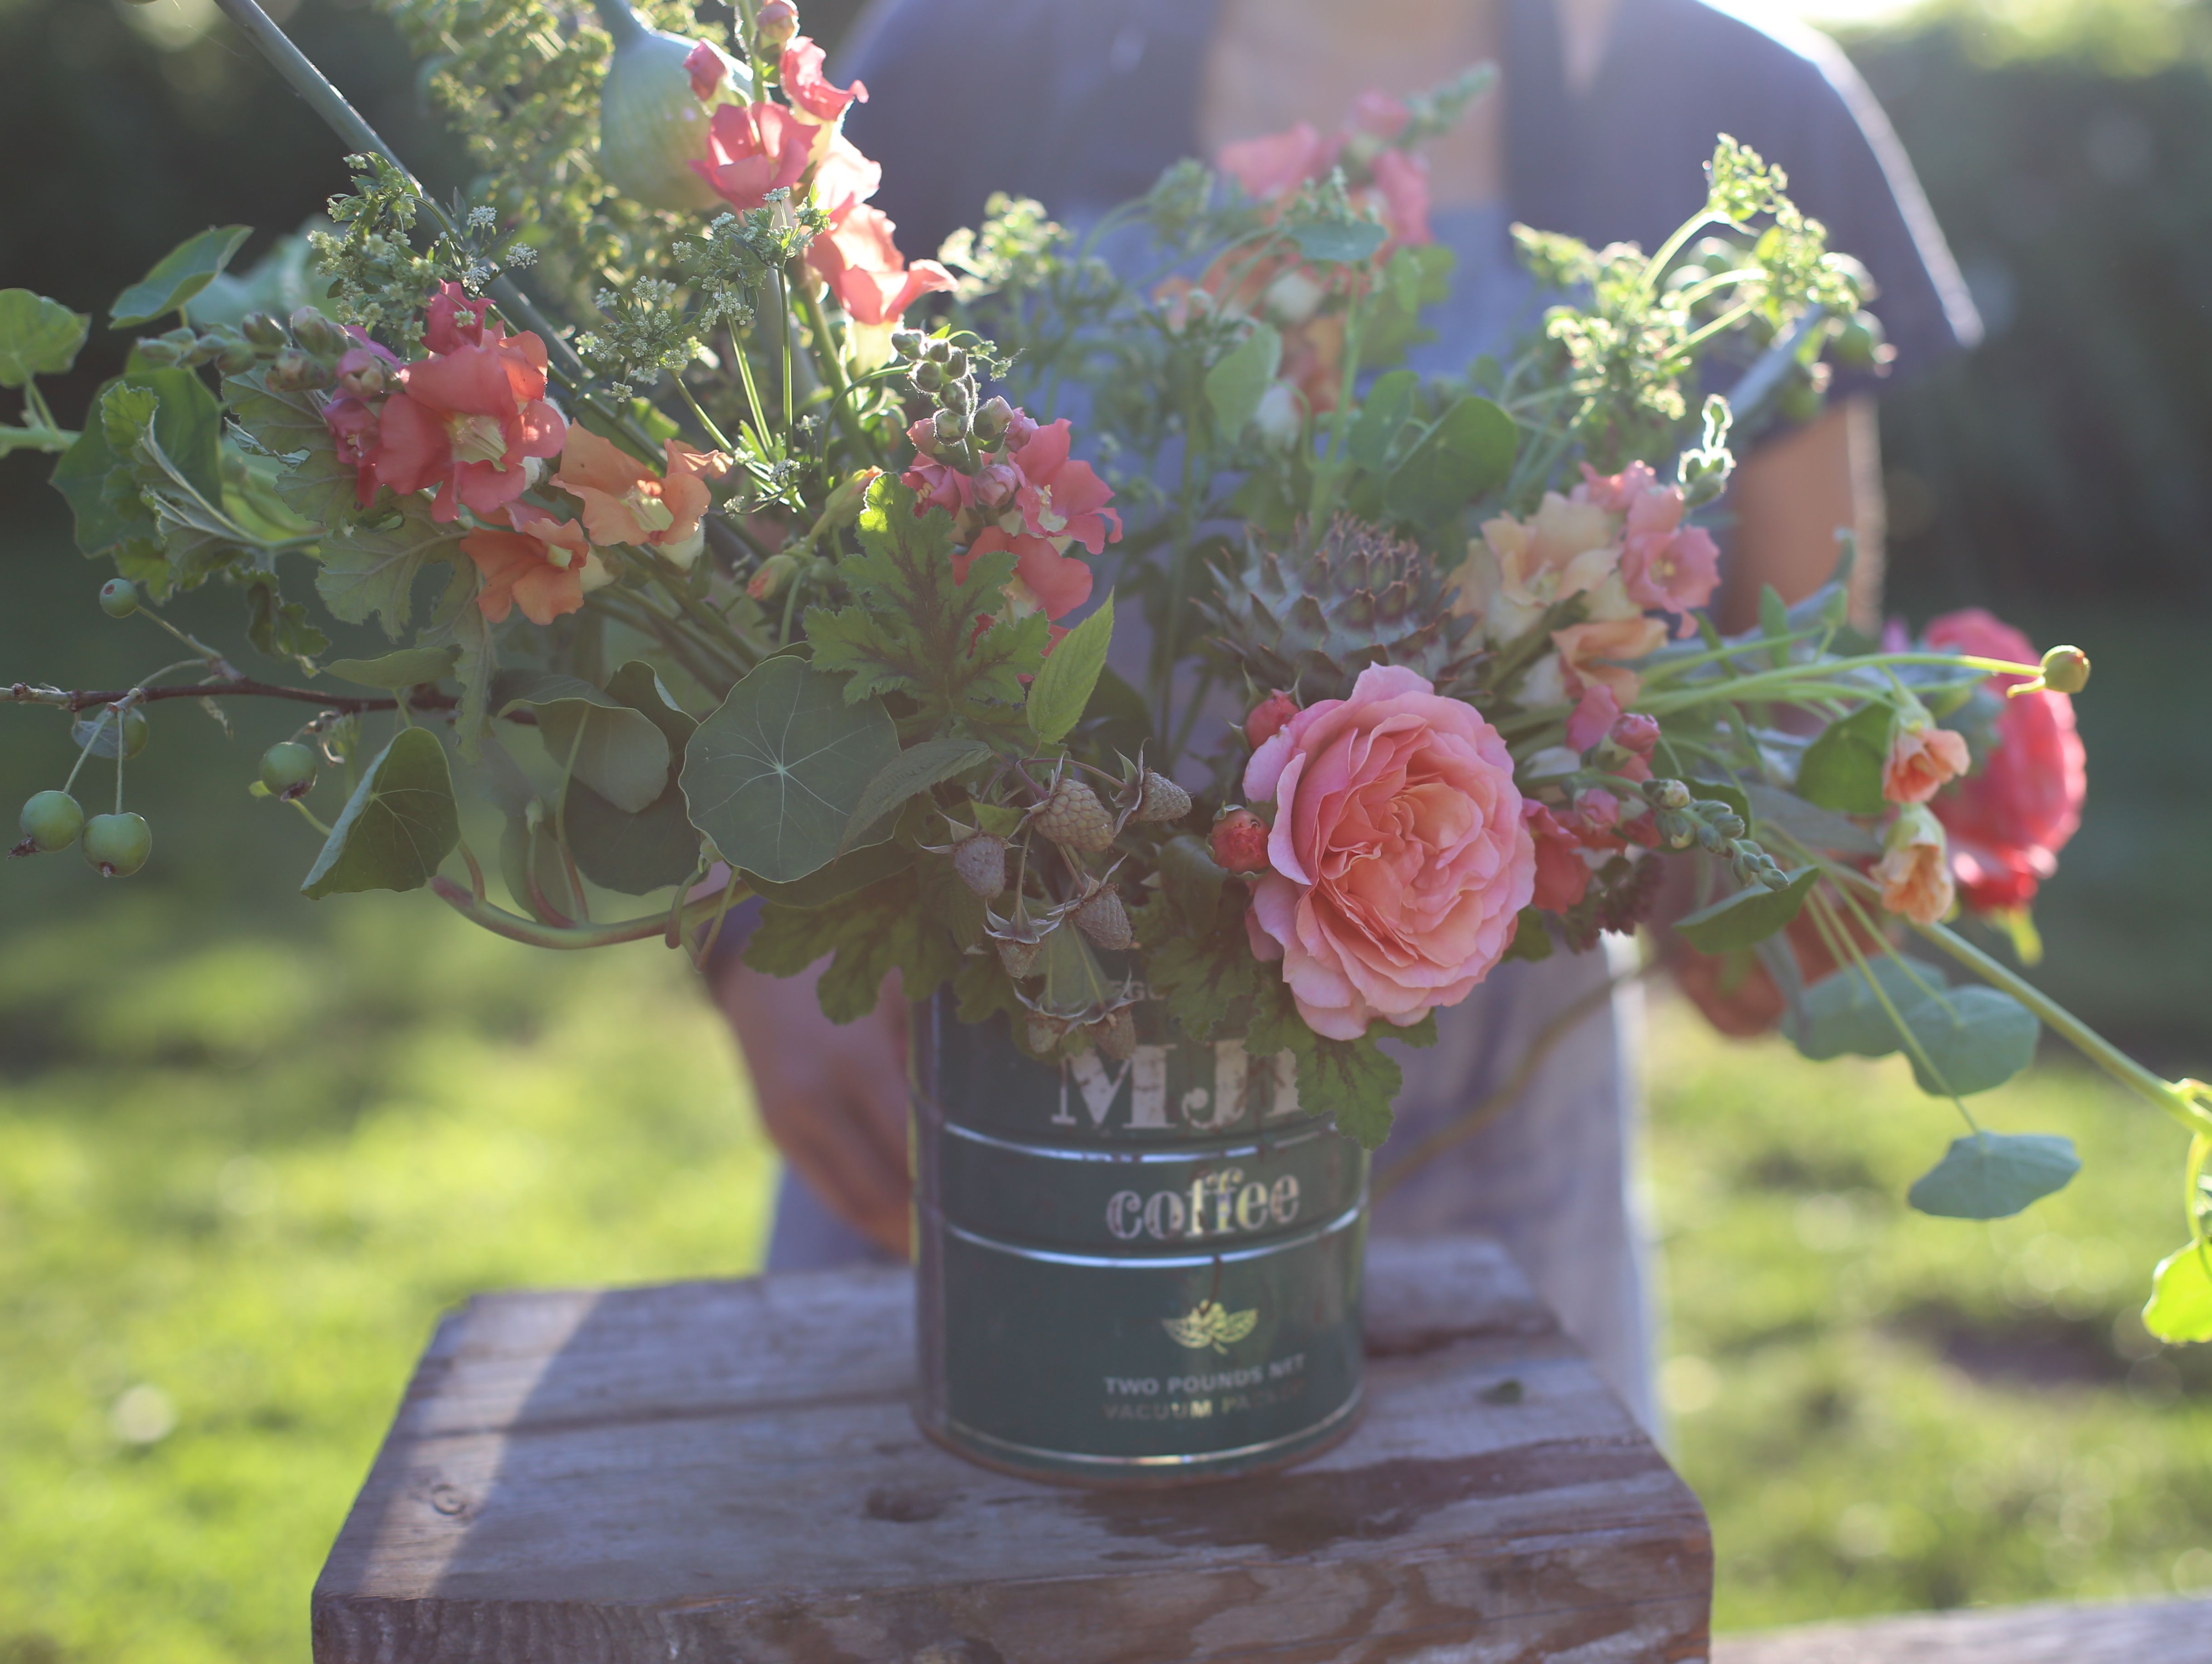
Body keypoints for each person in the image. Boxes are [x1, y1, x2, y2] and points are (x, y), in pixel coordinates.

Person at [710, 0, 1979, 1431]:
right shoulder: (973, 56)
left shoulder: (1746, 107)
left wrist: (1778, 887)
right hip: (975, 1153)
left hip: (1476, 1195)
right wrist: (752, 936)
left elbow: (1785, 691)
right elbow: (751, 547)